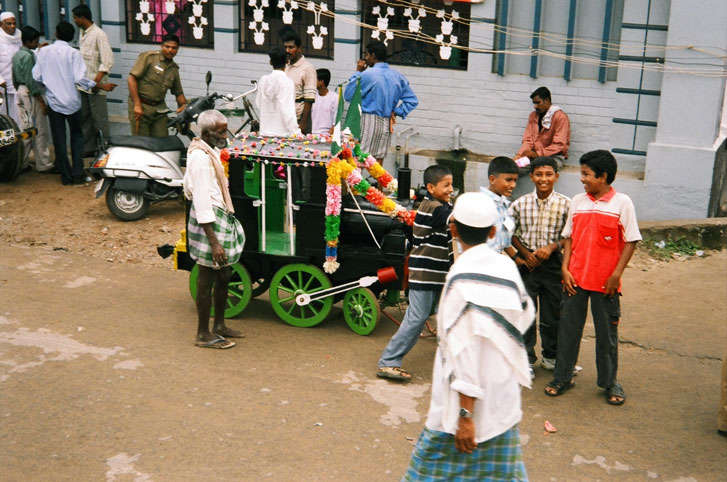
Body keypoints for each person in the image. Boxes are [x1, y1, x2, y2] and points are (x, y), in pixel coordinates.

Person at [403, 192, 534, 481]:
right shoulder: (507, 268)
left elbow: (464, 352)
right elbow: (523, 317)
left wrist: (465, 416)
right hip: (501, 397)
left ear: (453, 229)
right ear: (492, 232)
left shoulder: (459, 278)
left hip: (463, 408)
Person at [545, 150, 641, 405]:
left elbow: (631, 242)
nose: (582, 179)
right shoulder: (577, 201)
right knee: (568, 331)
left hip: (606, 284)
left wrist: (616, 275)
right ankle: (563, 377)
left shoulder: (622, 203)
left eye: (586, 174)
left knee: (606, 335)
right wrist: (565, 269)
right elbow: (569, 237)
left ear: (603, 176)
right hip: (574, 280)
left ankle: (610, 382)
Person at [377, 165, 453, 381]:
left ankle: (454, 363)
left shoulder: (443, 205)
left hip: (439, 273)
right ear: (431, 187)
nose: (451, 189)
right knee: (416, 317)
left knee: (448, 314)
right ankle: (388, 361)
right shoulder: (433, 208)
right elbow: (456, 220)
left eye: (451, 184)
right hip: (425, 273)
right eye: (446, 185)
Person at [183, 110, 246, 349]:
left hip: (218, 214)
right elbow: (200, 201)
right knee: (206, 277)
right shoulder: (200, 158)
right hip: (207, 221)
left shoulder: (212, 151)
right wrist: (214, 242)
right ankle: (202, 334)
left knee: (225, 274)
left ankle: (219, 325)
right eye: (220, 131)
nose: (225, 134)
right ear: (206, 132)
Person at [509, 156, 571, 375]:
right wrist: (525, 254)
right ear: (532, 176)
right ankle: (526, 358)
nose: (543, 179)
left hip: (553, 264)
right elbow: (510, 233)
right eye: (538, 174)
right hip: (527, 266)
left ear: (556, 177)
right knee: (526, 312)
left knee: (553, 313)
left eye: (548, 174)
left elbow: (570, 235)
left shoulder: (566, 204)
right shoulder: (519, 204)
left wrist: (552, 247)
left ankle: (550, 356)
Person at [32, 21, 97, 185]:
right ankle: (78, 173)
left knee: (59, 139)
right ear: (72, 37)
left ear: (56, 34)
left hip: (54, 102)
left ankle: (65, 176)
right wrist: (95, 85)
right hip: (72, 101)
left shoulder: (44, 52)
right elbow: (79, 79)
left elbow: (36, 77)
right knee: (77, 136)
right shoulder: (74, 53)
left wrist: (46, 88)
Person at [344, 41, 418, 163]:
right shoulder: (397, 76)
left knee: (359, 158)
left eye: (367, 55)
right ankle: (378, 182)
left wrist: (358, 72)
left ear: (373, 55)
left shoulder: (368, 74)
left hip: (368, 120)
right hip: (386, 122)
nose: (366, 59)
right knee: (378, 160)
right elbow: (412, 101)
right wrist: (397, 112)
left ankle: (358, 182)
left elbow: (348, 95)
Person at [72, 4, 117, 157]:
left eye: (75, 18)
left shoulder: (99, 34)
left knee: (99, 119)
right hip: (83, 85)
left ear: (82, 18)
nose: (74, 21)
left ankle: (105, 150)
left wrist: (97, 82)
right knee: (85, 118)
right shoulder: (82, 33)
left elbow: (107, 61)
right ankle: (88, 148)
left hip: (96, 86)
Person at [128, 34, 187, 136]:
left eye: (174, 48)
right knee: (143, 143)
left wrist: (184, 106)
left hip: (159, 110)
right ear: (161, 46)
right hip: (142, 106)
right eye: (167, 47)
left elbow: (178, 93)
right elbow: (131, 79)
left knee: (162, 141)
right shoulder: (149, 57)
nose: (170, 50)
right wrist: (137, 105)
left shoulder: (174, 69)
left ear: (178, 49)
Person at [11, 25, 51, 173]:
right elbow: (31, 80)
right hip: (30, 94)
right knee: (39, 129)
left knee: (26, 128)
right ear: (29, 42)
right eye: (35, 42)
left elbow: (14, 77)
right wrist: (41, 101)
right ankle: (44, 163)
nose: (36, 44)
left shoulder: (17, 55)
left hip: (20, 92)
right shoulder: (28, 57)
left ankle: (22, 162)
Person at [515, 86, 570, 163]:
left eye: (538, 102)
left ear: (546, 100)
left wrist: (538, 154)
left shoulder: (560, 117)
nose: (535, 106)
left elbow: (559, 145)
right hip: (534, 155)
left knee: (540, 168)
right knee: (514, 167)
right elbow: (528, 139)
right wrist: (520, 154)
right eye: (534, 103)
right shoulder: (533, 116)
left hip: (554, 156)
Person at [256, 46, 301, 138]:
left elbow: (258, 103)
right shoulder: (287, 82)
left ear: (270, 62)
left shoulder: (263, 80)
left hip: (265, 132)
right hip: (282, 134)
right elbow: (288, 110)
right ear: (287, 62)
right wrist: (296, 132)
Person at [480, 156, 520, 258]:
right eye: (509, 180)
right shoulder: (481, 203)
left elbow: (504, 238)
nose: (513, 185)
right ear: (492, 179)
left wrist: (516, 258)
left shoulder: (503, 204)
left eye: (515, 180)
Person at [282, 31, 316, 134]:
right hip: (284, 117)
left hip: (299, 117)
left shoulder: (307, 68)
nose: (287, 50)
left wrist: (303, 122)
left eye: (291, 47)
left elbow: (309, 98)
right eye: (285, 47)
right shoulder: (284, 66)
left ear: (299, 48)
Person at [0, 11, 22, 126]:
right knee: (5, 118)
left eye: (14, 23)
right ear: (1, 24)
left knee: (20, 118)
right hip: (4, 86)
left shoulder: (19, 36)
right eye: (9, 24)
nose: (12, 26)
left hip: (19, 85)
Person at [311, 68, 337, 136]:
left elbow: (336, 121)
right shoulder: (312, 95)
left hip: (326, 135)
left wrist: (328, 136)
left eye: (315, 80)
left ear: (321, 82)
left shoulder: (334, 97)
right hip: (311, 134)